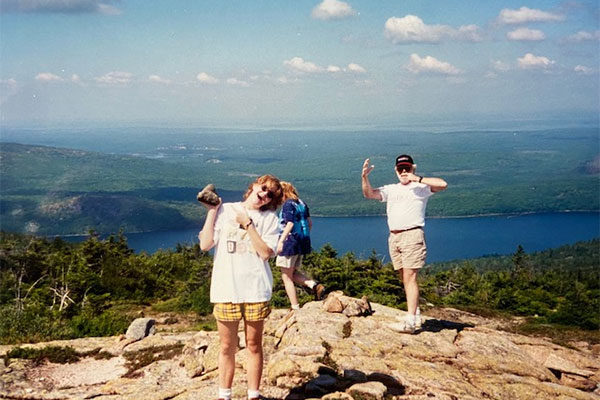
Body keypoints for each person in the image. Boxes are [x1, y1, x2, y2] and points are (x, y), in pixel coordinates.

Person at [198, 175, 284, 400]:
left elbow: (266, 253)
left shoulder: (270, 219)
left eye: (271, 194)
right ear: (255, 185)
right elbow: (205, 244)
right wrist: (211, 211)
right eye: (264, 188)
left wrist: (248, 224)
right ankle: (224, 395)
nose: (265, 194)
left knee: (254, 345)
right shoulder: (226, 209)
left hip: (255, 289)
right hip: (226, 288)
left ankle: (253, 394)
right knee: (227, 346)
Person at [361, 155, 447, 333]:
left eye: (407, 168)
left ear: (413, 168)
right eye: (400, 169)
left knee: (410, 277)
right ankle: (414, 314)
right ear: (396, 170)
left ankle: (410, 322)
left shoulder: (421, 188)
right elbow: (369, 194)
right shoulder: (391, 189)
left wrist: (419, 179)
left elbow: (443, 184)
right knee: (404, 277)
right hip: (395, 237)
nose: (404, 172)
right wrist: (364, 178)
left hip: (412, 235)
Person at [276, 182, 325, 309]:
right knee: (292, 272)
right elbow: (310, 224)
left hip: (290, 243)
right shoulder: (301, 203)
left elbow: (290, 224)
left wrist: (281, 241)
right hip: (302, 242)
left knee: (286, 276)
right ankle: (313, 285)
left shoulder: (288, 205)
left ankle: (295, 306)